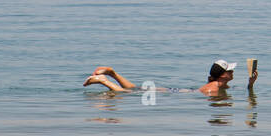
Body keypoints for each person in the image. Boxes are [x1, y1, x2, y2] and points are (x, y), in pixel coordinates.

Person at [83, 60, 258, 95]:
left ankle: (112, 73)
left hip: (173, 90)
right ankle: (103, 81)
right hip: (176, 93)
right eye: (230, 71)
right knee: (125, 93)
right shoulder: (213, 88)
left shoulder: (218, 85)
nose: (233, 73)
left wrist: (250, 84)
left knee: (134, 89)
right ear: (223, 75)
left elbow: (243, 92)